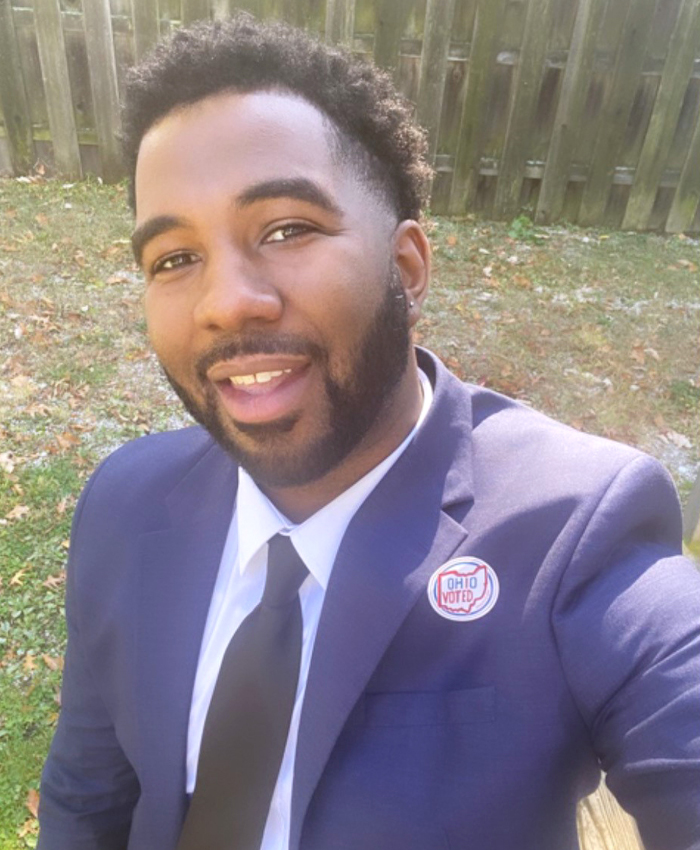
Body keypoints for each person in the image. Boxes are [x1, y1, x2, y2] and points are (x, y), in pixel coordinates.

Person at [37, 15, 700, 850]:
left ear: (407, 268)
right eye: (174, 258)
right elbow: (86, 799)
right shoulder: (125, 506)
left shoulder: (576, 533)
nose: (224, 302)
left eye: (286, 229)